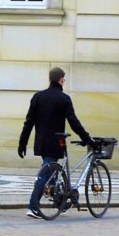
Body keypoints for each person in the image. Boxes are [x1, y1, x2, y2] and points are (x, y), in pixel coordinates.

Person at [20, 65, 93, 218]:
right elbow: (74, 122)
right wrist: (87, 139)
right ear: (61, 80)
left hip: (41, 142)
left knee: (51, 172)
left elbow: (29, 122)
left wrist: (22, 143)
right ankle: (33, 207)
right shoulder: (63, 98)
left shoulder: (37, 97)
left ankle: (61, 201)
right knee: (45, 174)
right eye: (64, 79)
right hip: (56, 141)